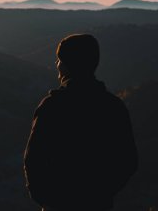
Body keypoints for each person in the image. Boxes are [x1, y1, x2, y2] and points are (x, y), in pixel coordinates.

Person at [23, 34, 138, 211]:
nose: (57, 65)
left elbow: (34, 159)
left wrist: (45, 200)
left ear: (67, 65)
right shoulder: (113, 106)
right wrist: (102, 193)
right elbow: (127, 160)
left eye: (59, 60)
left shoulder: (52, 106)